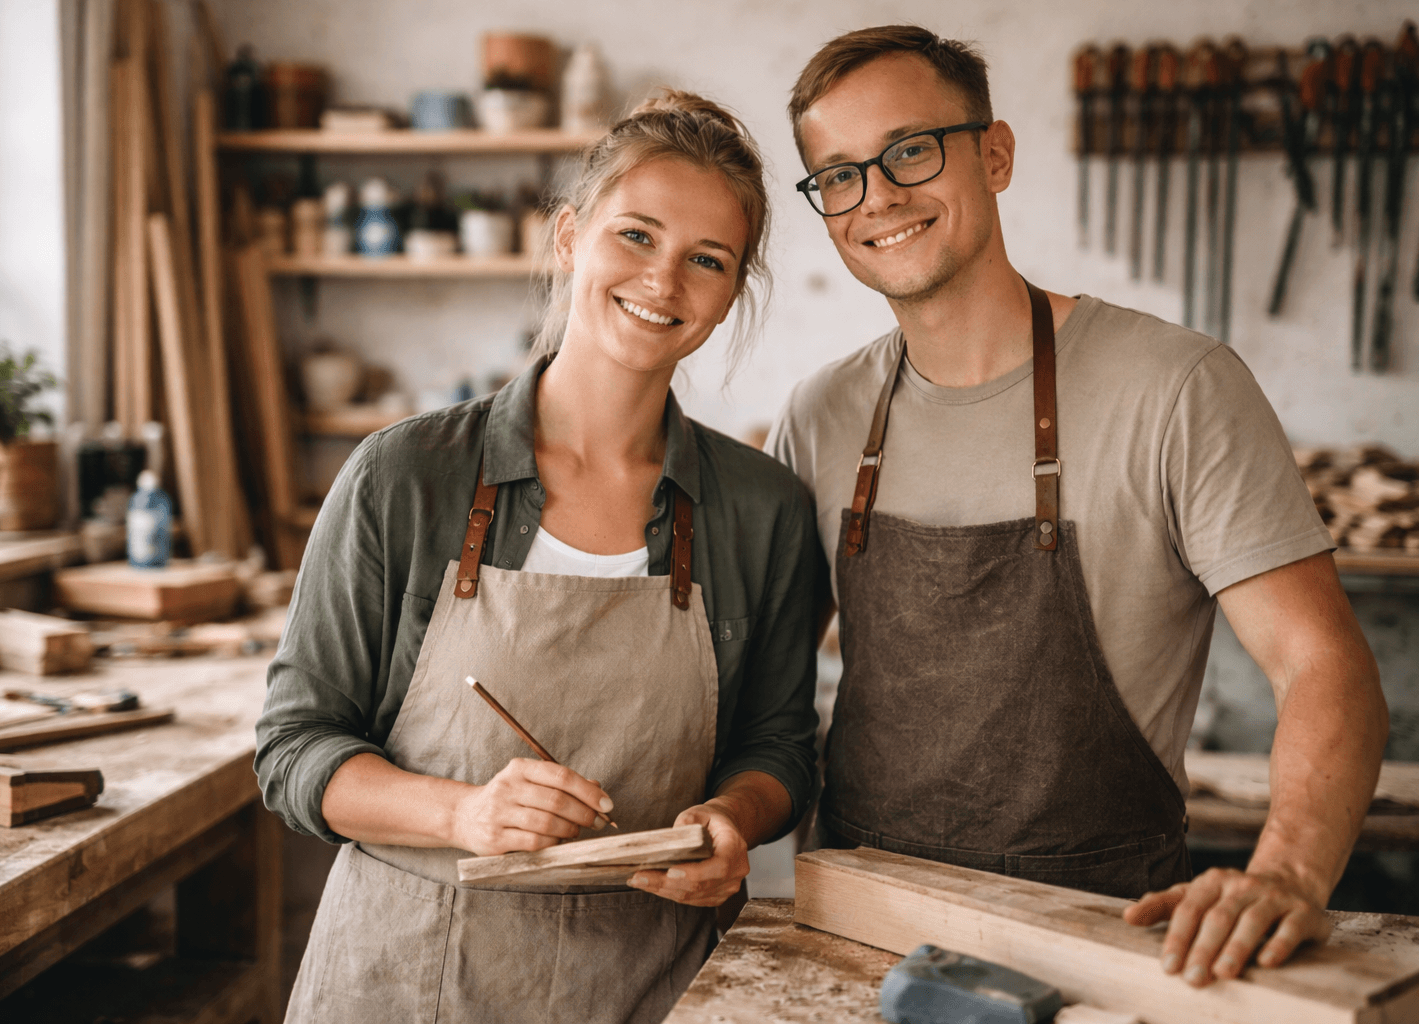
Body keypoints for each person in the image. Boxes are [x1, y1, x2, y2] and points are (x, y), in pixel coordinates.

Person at [767, 25, 1388, 991]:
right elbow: (770, 690)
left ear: (996, 153)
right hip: (864, 928)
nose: (877, 194)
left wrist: (1287, 872)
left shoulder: (1177, 387)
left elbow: (1323, 663)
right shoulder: (821, 414)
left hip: (1102, 940)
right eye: (838, 175)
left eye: (910, 150)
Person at [256, 90, 820, 1024]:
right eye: (635, 235)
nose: (663, 280)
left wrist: (734, 822)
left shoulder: (762, 511)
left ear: (730, 297)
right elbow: (293, 749)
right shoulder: (406, 475)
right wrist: (462, 815)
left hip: (649, 981)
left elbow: (778, 746)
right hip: (404, 978)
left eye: (707, 260)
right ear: (569, 238)